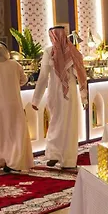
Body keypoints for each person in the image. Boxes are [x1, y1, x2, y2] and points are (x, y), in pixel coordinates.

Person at [32, 26, 88, 169]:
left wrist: (36, 100)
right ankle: (59, 156)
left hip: (60, 91)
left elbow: (43, 77)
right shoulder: (70, 51)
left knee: (63, 122)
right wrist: (84, 98)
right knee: (62, 122)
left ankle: (62, 158)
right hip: (65, 91)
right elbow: (81, 76)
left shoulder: (52, 52)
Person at [0, 42, 34, 173]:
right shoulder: (14, 64)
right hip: (13, 104)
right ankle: (15, 162)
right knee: (15, 132)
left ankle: (0, 161)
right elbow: (24, 80)